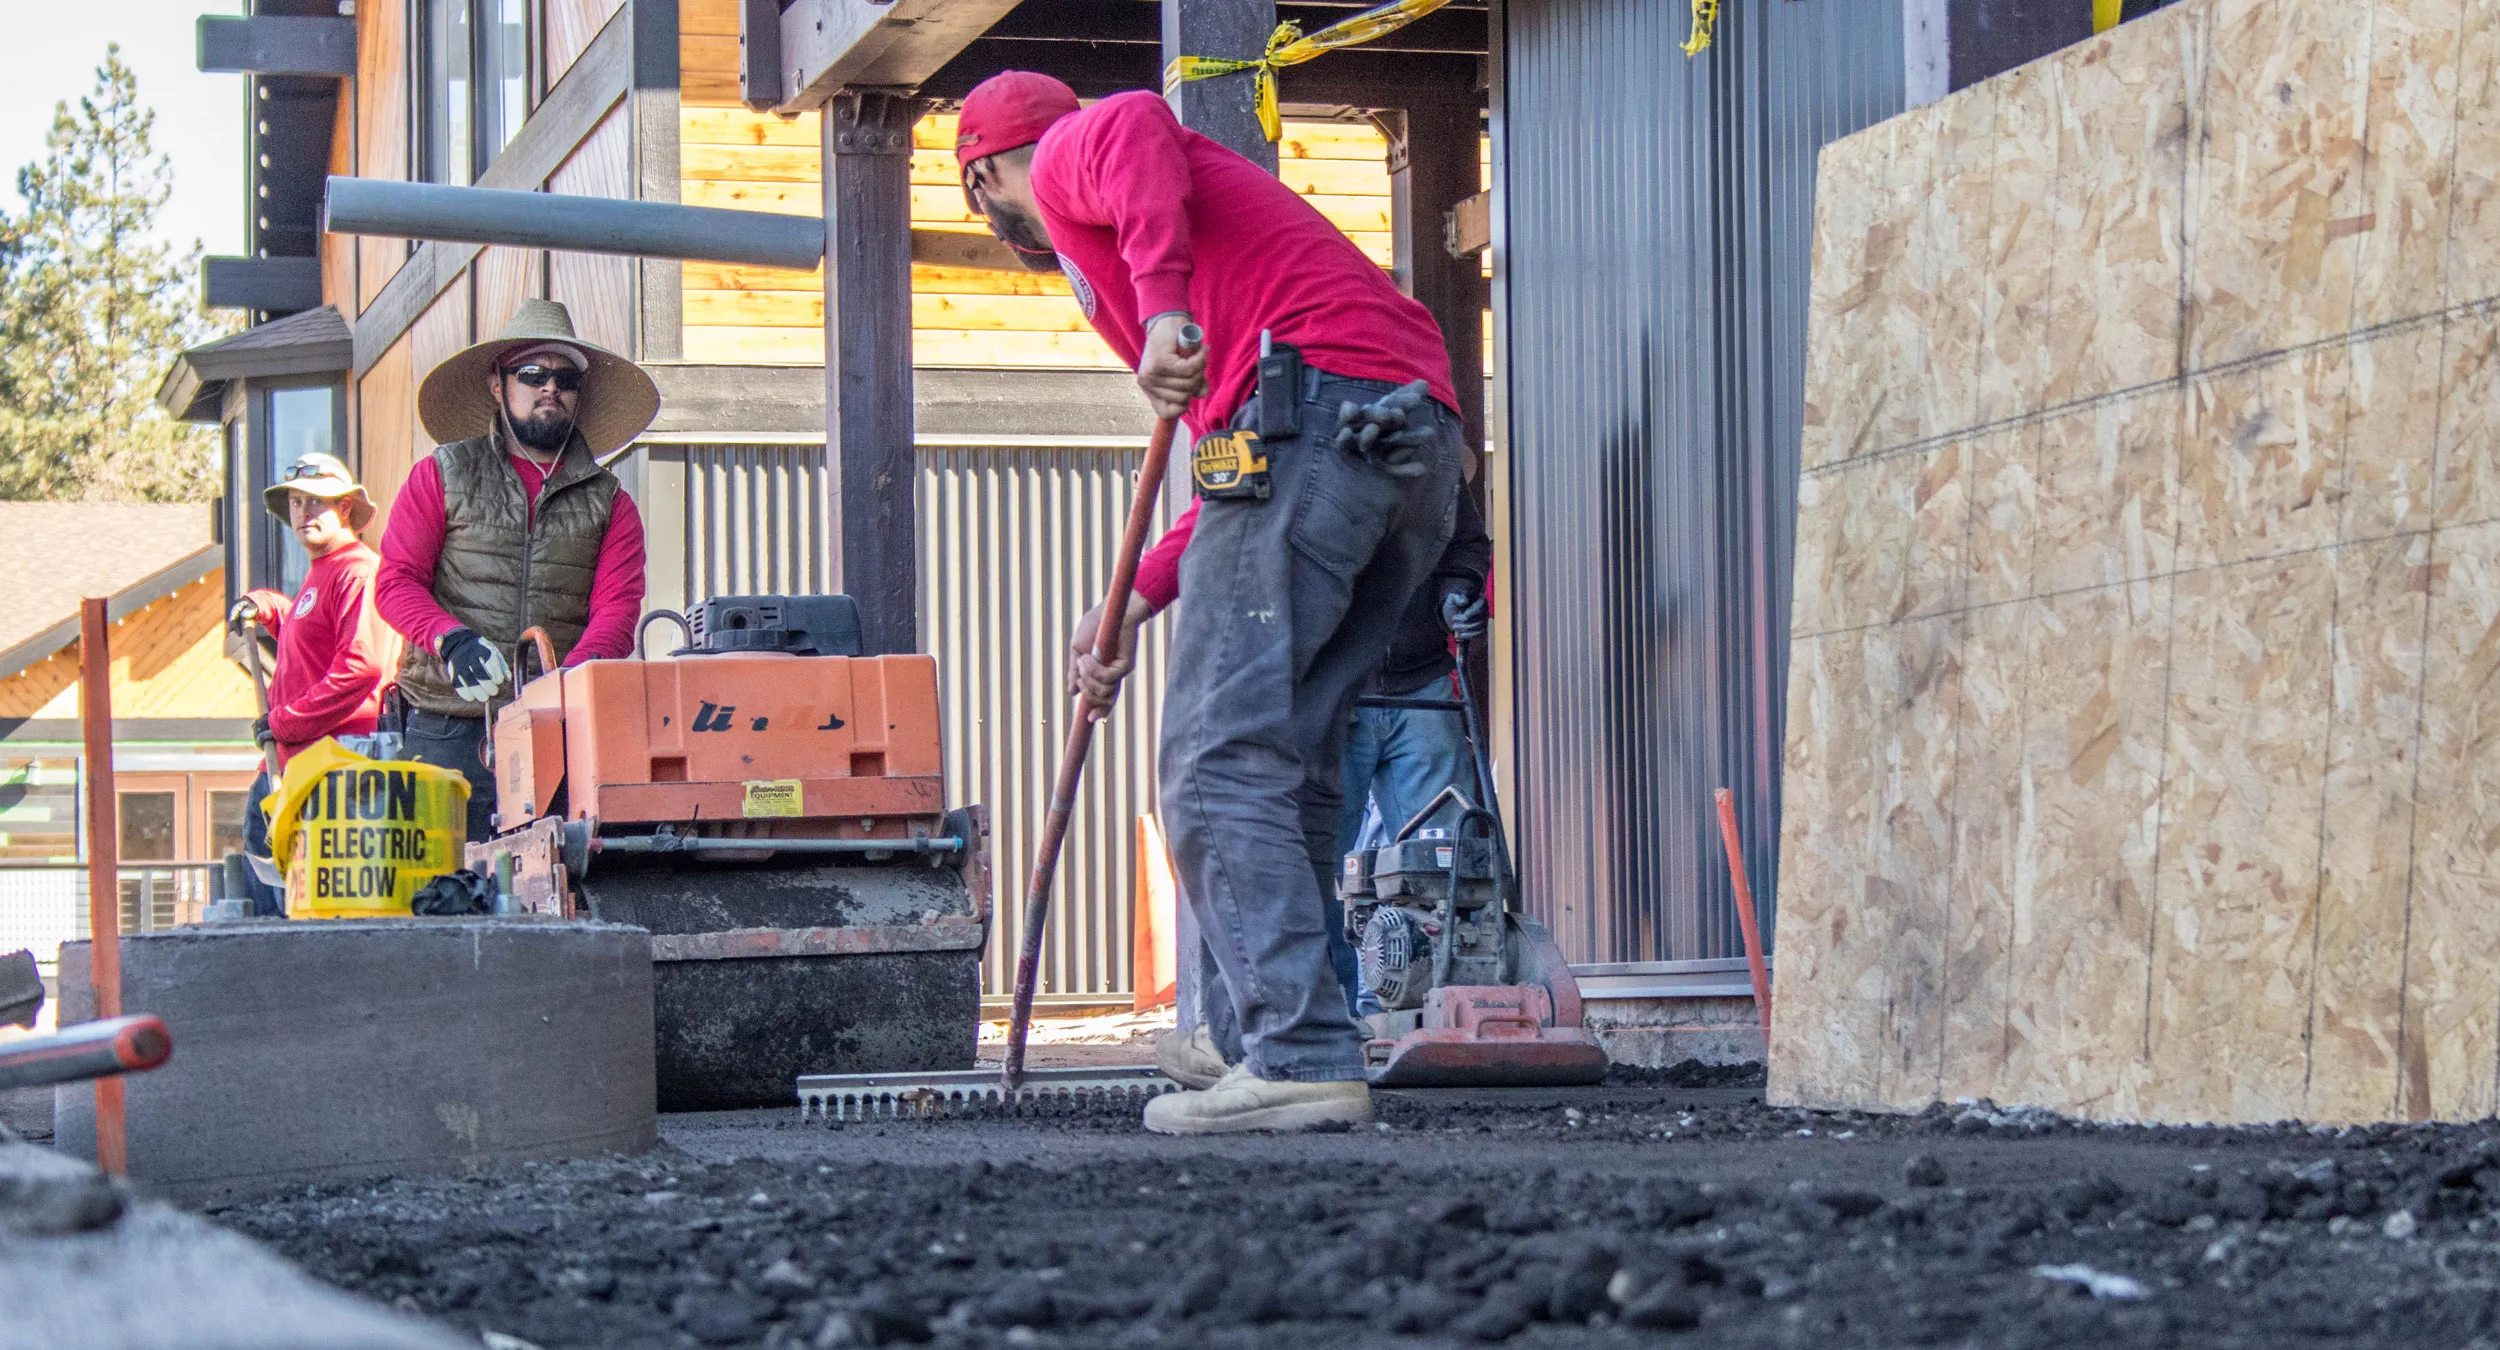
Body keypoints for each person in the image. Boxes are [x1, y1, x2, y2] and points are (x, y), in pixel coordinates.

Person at [958, 72, 1466, 1134]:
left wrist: (1162, 306)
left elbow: (1133, 117)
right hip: (1403, 446)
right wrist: (1126, 604)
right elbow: (1235, 472)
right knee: (1296, 761)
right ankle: (1260, 1041)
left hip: (1313, 416)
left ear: (982, 179)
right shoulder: (1216, 264)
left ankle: (1296, 1051)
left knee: (1212, 760)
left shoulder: (1060, 163)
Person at [376, 299, 656, 842]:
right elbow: (394, 583)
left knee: (558, 894)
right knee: (438, 896)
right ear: (497, 384)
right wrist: (450, 640)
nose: (550, 388)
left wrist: (563, 687)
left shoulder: (612, 502)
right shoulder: (441, 474)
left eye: (566, 378)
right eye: (532, 373)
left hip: (562, 732)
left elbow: (618, 614)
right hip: (445, 723)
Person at [224, 452, 402, 915]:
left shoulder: (358, 571)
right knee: (261, 909)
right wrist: (265, 604)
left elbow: (362, 669)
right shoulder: (322, 573)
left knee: (295, 917)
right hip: (291, 766)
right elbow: (309, 638)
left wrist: (284, 722)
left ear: (345, 508)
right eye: (297, 502)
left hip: (330, 772)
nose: (303, 513)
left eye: (317, 502)